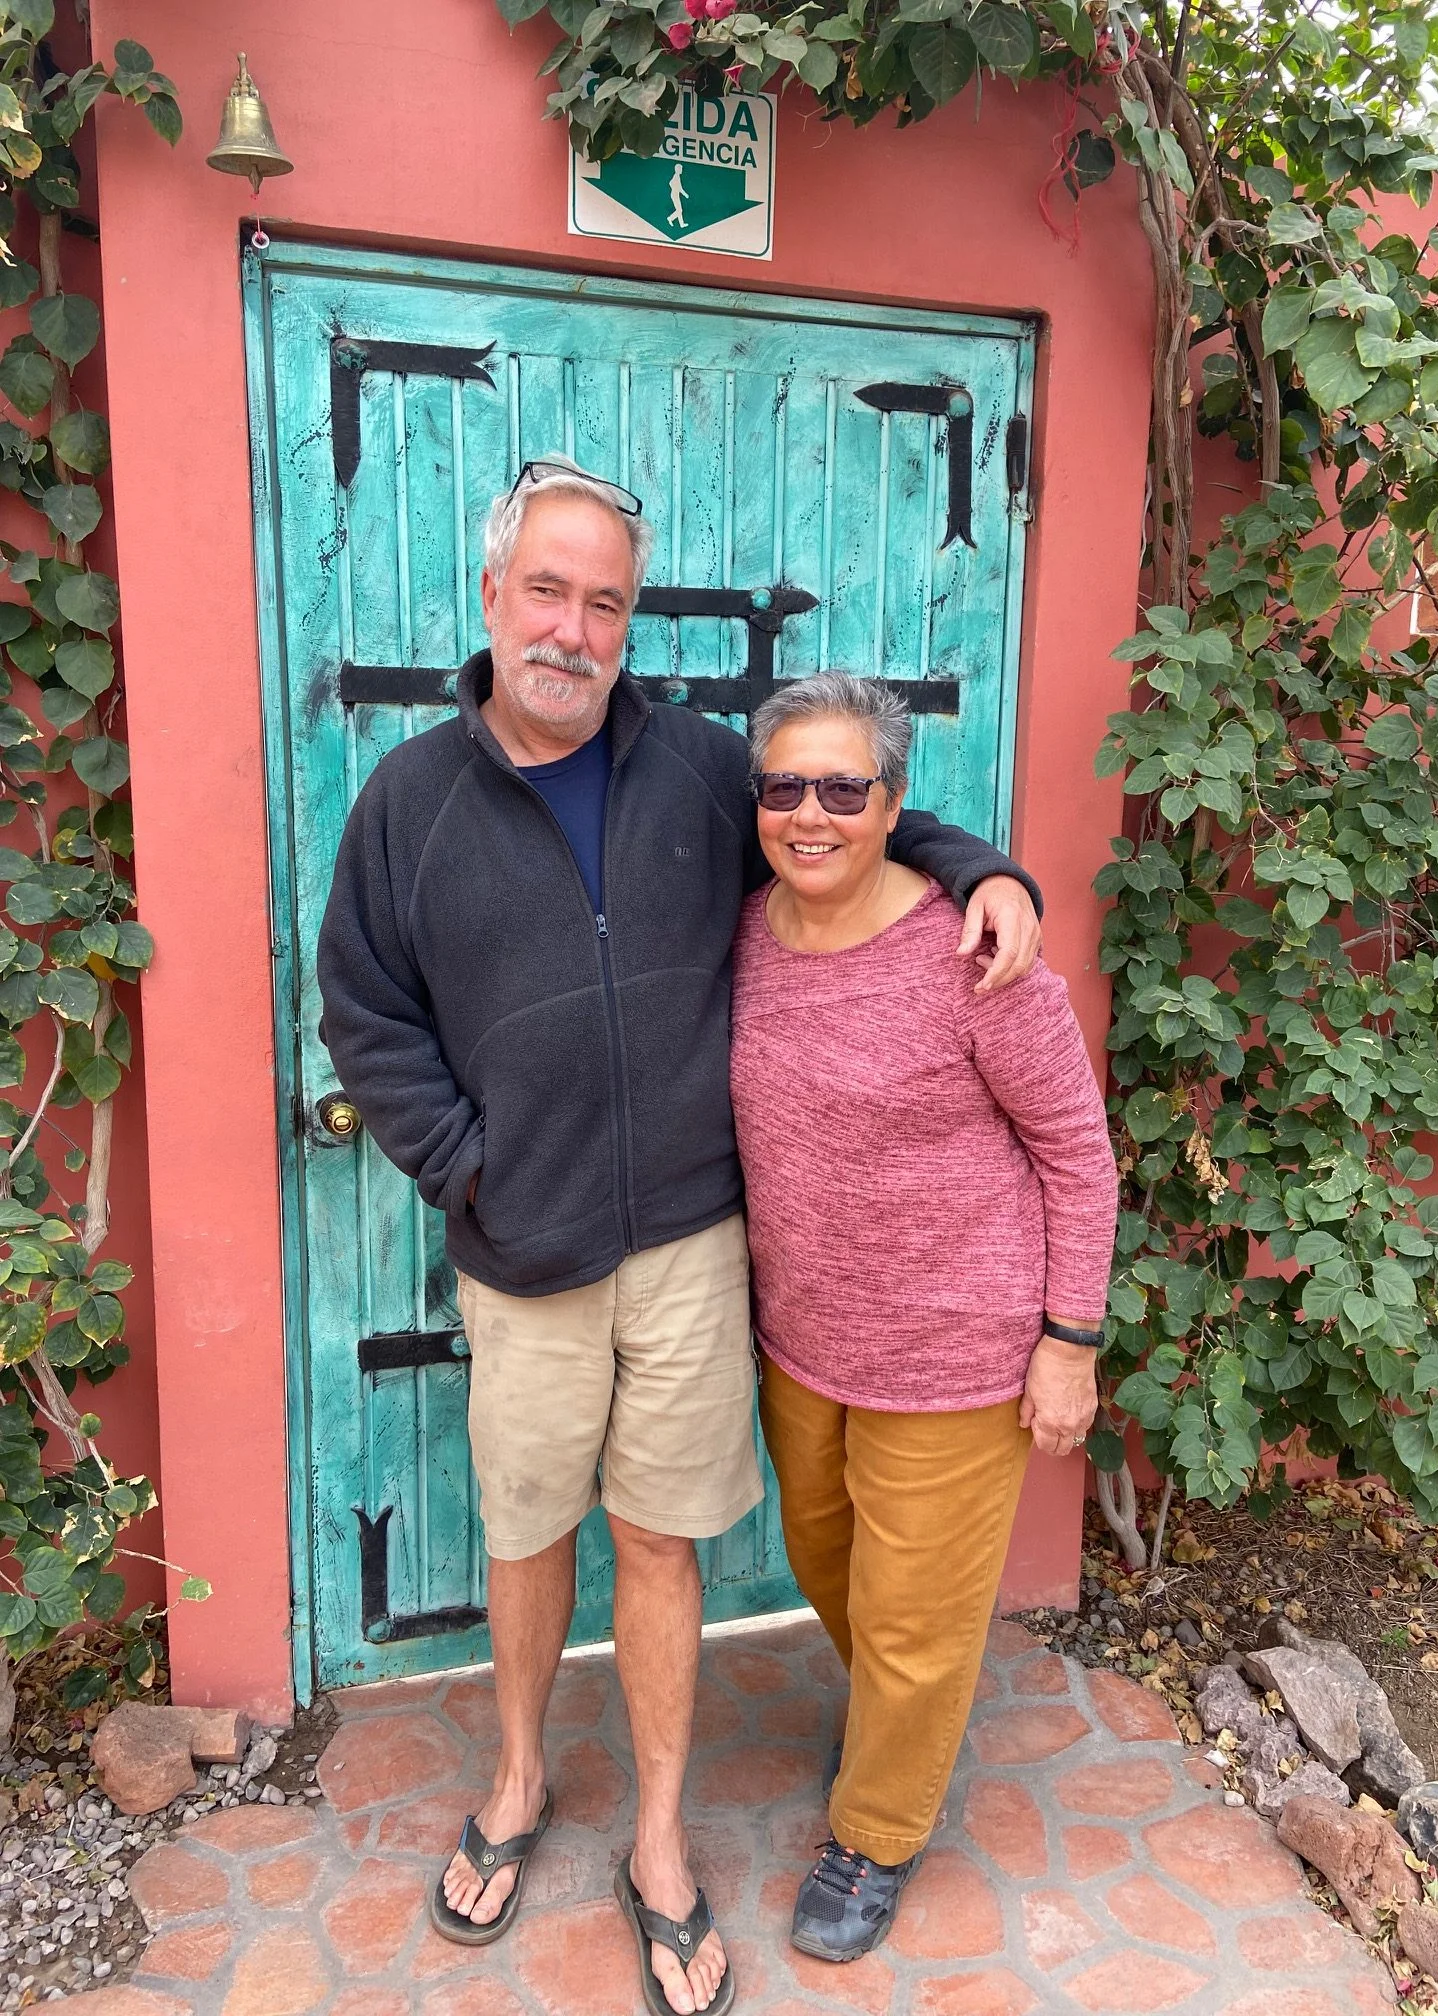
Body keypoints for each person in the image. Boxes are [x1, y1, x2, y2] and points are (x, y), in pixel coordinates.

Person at [316, 459, 1045, 2016]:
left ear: (629, 622)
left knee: (661, 1541)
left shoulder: (708, 769)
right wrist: (467, 1169)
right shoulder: (408, 805)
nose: (572, 630)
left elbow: (848, 815)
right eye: (547, 591)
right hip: (524, 1253)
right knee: (528, 1531)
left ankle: (657, 1837)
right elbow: (366, 1014)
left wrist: (981, 867)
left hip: (696, 1250)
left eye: (605, 602)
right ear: (492, 594)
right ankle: (519, 1780)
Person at [728, 671, 1118, 1966]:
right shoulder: (743, 932)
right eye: (786, 786)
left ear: (896, 805)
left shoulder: (976, 958)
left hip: (958, 1353)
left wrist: (1070, 1340)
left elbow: (1077, 1154)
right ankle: (901, 1722)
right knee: (827, 1565)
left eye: (846, 788)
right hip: (804, 1341)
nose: (812, 813)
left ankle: (879, 1830)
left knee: (912, 1618)